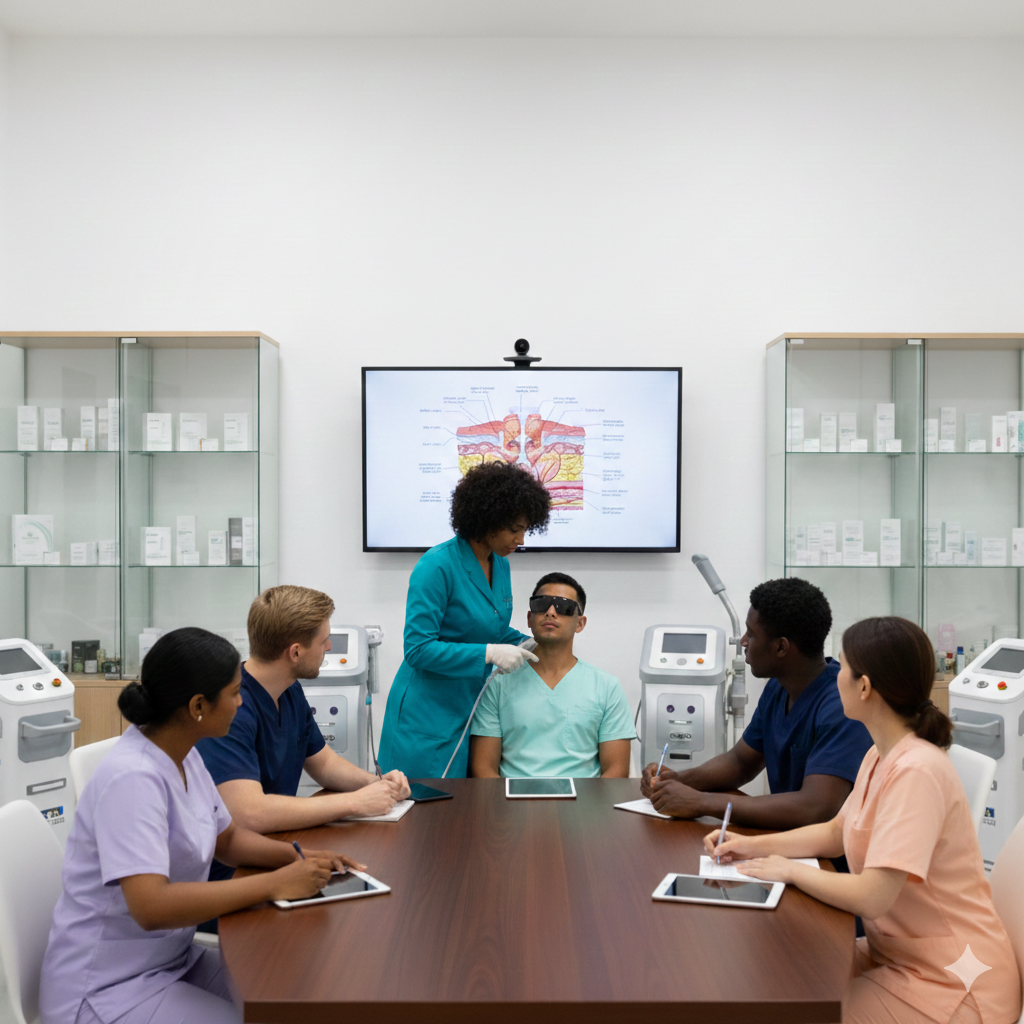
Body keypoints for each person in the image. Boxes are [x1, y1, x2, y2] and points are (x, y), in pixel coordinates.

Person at [40, 627, 363, 1024]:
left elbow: (226, 840)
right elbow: (151, 906)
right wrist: (276, 883)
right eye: (233, 693)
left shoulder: (183, 752)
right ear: (197, 706)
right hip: (106, 987)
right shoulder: (133, 779)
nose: (242, 702)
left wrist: (299, 857)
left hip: (170, 958)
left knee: (293, 996)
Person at [709, 616, 1022, 1024]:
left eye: (842, 666)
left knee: (799, 1006)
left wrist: (788, 871)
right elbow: (837, 832)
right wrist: (748, 845)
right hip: (900, 955)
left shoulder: (917, 771)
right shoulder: (882, 753)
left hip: (953, 982)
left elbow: (873, 896)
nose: (835, 675)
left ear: (864, 687)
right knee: (779, 982)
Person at [197, 585, 410, 884]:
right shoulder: (232, 709)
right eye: (324, 641)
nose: (329, 649)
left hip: (275, 852)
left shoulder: (289, 690)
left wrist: (377, 785)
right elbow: (249, 814)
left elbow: (323, 764)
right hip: (230, 876)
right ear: (295, 652)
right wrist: (354, 803)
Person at [642, 577, 872, 828]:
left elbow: (816, 808)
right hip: (786, 844)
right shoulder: (777, 687)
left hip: (829, 862)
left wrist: (701, 802)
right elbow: (740, 762)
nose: (743, 642)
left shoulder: (841, 707)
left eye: (751, 634)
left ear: (781, 647)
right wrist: (677, 780)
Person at [378, 460, 551, 779]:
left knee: (465, 816)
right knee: (421, 818)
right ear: (487, 519)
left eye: (526, 529)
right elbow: (418, 649)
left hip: (470, 707)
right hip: (426, 715)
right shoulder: (436, 566)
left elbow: (494, 628)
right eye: (515, 529)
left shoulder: (499, 564)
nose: (521, 539)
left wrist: (537, 643)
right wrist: (489, 654)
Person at [469, 573, 634, 778]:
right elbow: (483, 769)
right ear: (530, 618)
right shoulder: (498, 683)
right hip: (511, 803)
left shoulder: (606, 687)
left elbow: (616, 772)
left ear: (580, 623)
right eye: (541, 604)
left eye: (564, 606)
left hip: (583, 804)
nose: (550, 612)